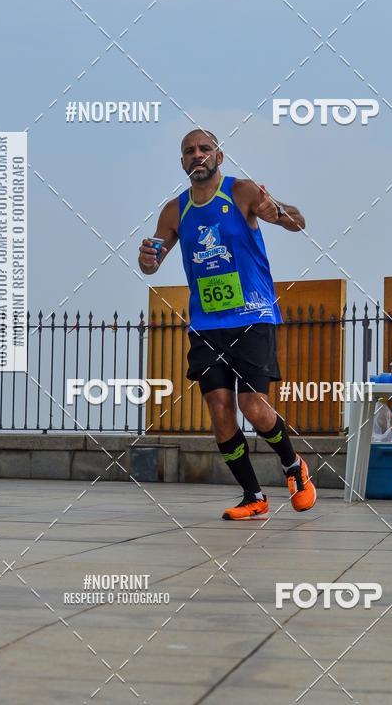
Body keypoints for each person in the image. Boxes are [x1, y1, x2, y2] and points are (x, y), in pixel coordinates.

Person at [138, 128, 316, 520]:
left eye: (205, 149)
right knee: (220, 410)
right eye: (189, 151)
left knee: (252, 404)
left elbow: (297, 222)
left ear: (219, 157)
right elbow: (151, 261)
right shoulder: (174, 211)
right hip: (206, 324)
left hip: (253, 315)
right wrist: (148, 259)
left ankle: (293, 468)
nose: (197, 155)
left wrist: (277, 212)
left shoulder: (243, 192)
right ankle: (253, 496)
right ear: (182, 162)